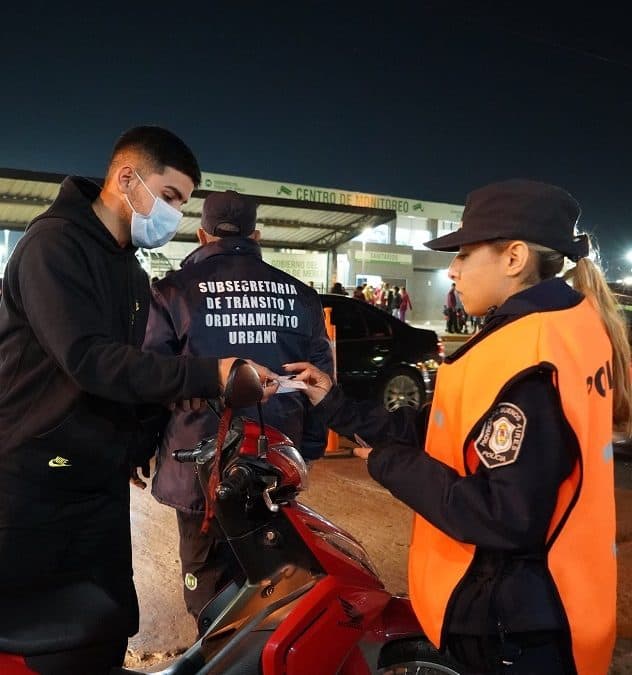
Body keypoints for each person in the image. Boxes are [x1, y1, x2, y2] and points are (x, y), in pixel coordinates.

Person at [283, 179, 632, 674]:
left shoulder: (529, 360)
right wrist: (337, 405)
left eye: (465, 254)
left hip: (515, 625)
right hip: (546, 605)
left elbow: (503, 516)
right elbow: (444, 425)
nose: (452, 270)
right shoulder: (564, 328)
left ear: (513, 258)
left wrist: (390, 464)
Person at [0, 126, 276, 674]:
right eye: (169, 197)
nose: (174, 214)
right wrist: (210, 375)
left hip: (94, 481)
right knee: (38, 636)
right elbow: (90, 360)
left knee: (105, 623)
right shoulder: (54, 246)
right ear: (126, 178)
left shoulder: (128, 265)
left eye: (183, 203)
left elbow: (131, 369)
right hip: (34, 483)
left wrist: (137, 438)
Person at [142, 190, 334, 624]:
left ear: (202, 233)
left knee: (211, 603)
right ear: (257, 234)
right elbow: (319, 384)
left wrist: (139, 449)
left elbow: (150, 380)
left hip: (198, 478)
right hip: (274, 468)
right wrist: (312, 448)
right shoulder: (300, 296)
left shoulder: (173, 293)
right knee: (272, 596)